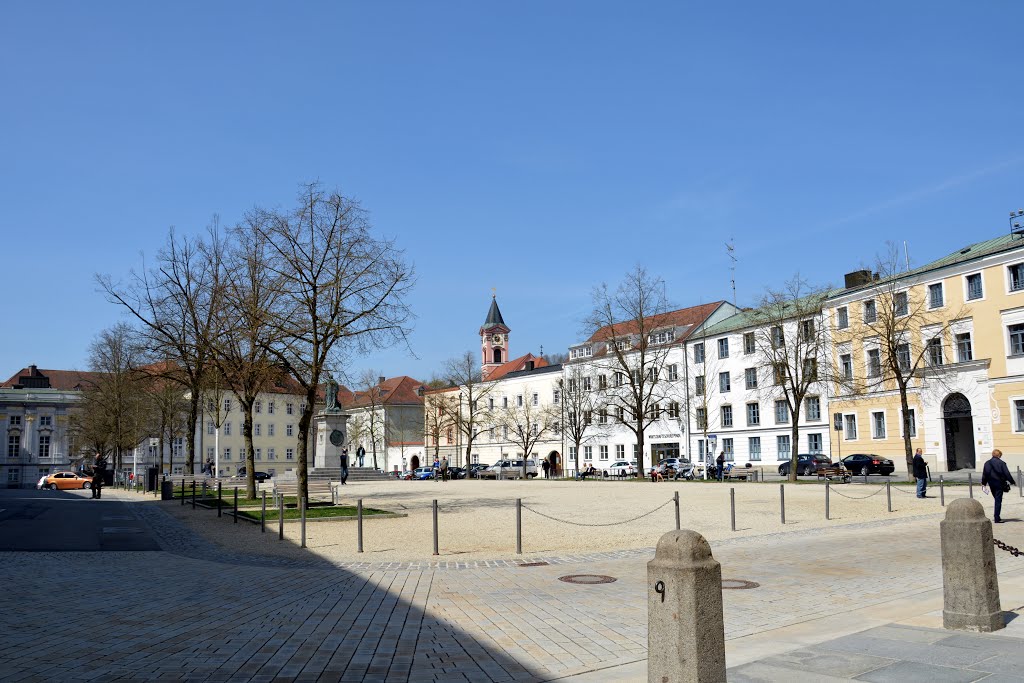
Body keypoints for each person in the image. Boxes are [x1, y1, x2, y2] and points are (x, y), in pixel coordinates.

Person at [982, 448, 1016, 523]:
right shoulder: (1001, 463)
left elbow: (985, 474)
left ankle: (997, 516)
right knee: (998, 500)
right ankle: (997, 518)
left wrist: (983, 483)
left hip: (991, 483)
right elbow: (1007, 473)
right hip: (999, 483)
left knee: (996, 499)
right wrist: (1012, 481)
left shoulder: (987, 463)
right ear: (999, 455)